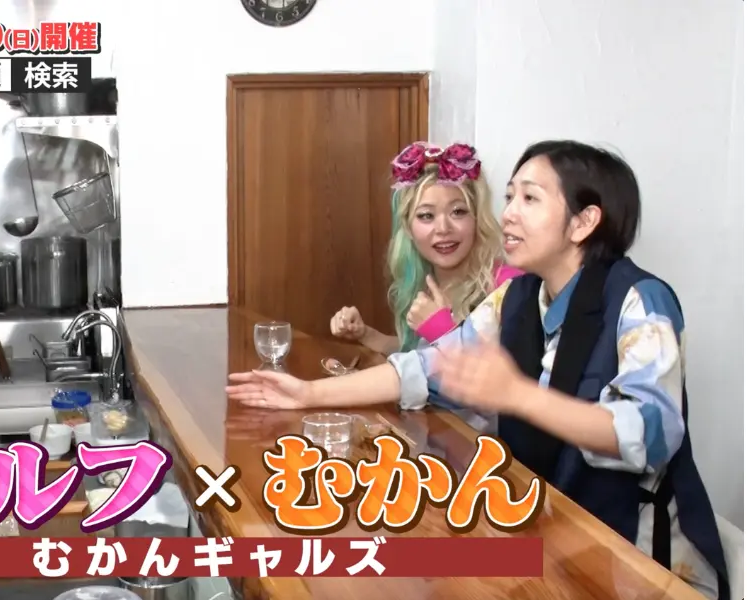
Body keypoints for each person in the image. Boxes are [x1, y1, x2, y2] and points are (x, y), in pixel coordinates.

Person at [230, 141, 726, 596]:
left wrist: (518, 395)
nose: (508, 214)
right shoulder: (518, 296)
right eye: (509, 197)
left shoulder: (640, 300)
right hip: (549, 533)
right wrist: (306, 394)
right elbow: (425, 368)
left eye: (529, 199)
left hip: (639, 565)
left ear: (582, 222)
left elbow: (648, 432)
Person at [329, 142, 524, 356]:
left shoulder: (511, 287)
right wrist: (366, 335)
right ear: (408, 228)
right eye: (426, 216)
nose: (443, 228)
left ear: (477, 218)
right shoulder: (424, 280)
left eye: (458, 212)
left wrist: (439, 328)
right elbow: (423, 357)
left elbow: (501, 375)